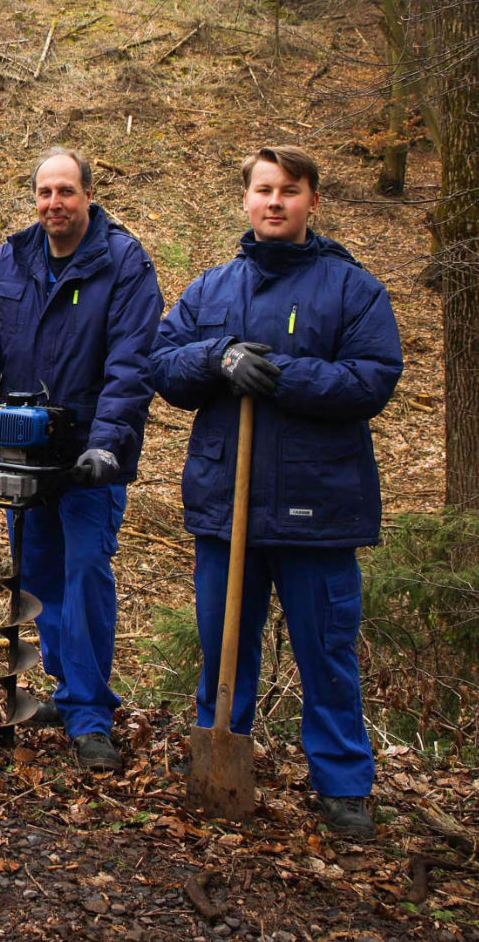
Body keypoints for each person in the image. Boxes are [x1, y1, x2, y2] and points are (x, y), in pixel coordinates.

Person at [148, 145, 402, 836]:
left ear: (313, 201)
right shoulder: (212, 289)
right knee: (224, 645)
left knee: (326, 653)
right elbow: (164, 365)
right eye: (264, 189)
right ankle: (222, 762)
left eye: (290, 190)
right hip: (226, 508)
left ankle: (345, 786)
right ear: (246, 200)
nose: (275, 201)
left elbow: (373, 378)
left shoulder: (353, 290)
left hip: (318, 511)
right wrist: (218, 357)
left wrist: (283, 375)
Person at [0, 148, 163, 769]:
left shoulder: (123, 263)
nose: (54, 203)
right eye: (44, 193)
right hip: (22, 453)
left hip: (88, 456)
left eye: (66, 191)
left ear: (88, 194)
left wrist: (107, 444)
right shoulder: (11, 262)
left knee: (85, 575)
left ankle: (89, 715)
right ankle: (68, 687)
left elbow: (131, 366)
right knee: (40, 578)